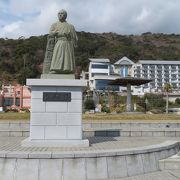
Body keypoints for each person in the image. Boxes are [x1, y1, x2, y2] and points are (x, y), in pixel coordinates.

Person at [49, 9, 78, 74]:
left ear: (65, 15)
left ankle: (67, 69)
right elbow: (50, 33)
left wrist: (69, 36)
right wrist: (55, 32)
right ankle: (55, 69)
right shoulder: (54, 25)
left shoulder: (70, 26)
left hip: (67, 43)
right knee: (57, 56)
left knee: (67, 58)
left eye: (62, 13)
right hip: (59, 42)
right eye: (59, 13)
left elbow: (75, 38)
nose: (60, 15)